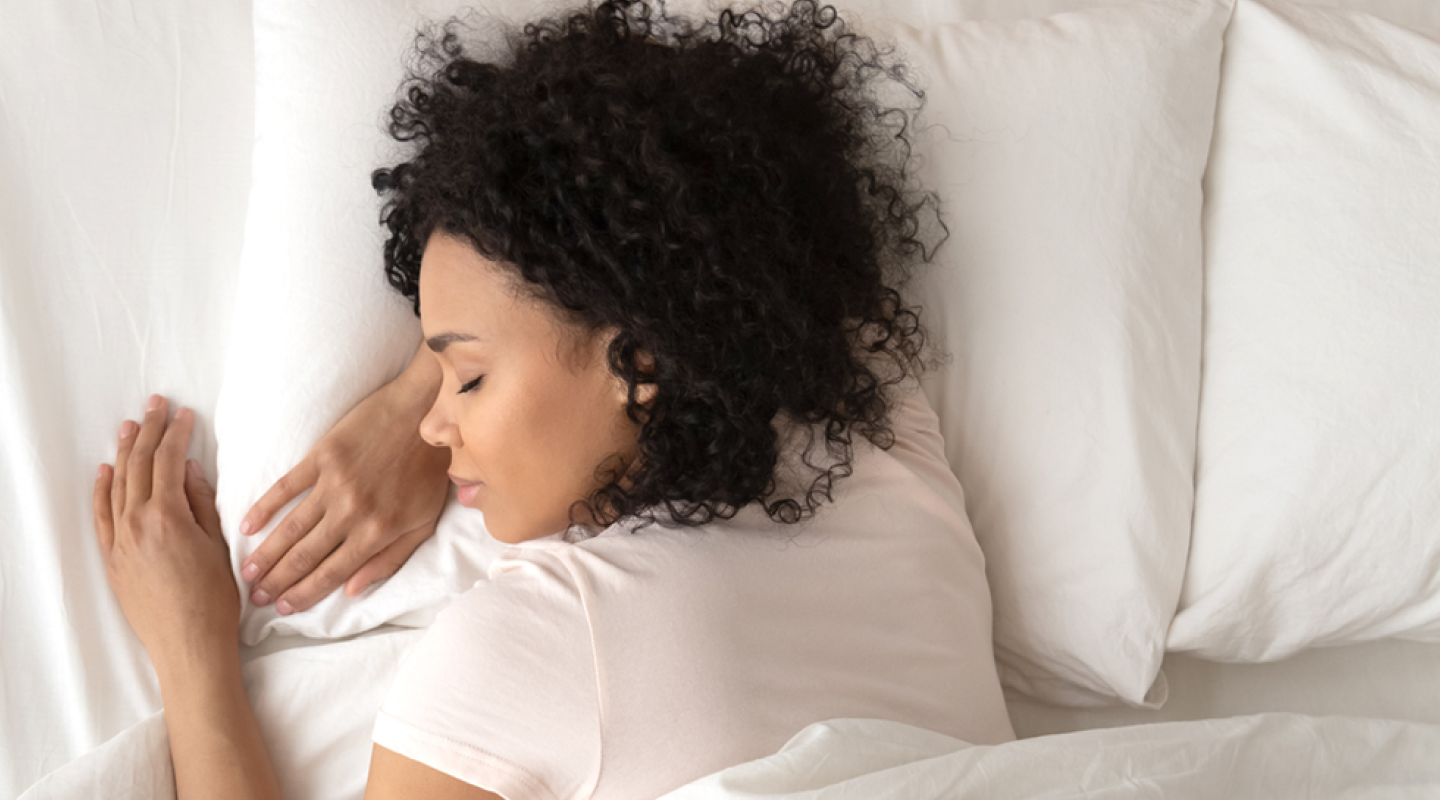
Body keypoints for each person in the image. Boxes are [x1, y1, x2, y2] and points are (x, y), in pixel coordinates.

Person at [90, 1, 1015, 798]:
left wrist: (193, 651)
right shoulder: (880, 425)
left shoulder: (537, 643)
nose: (429, 421)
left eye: (469, 376)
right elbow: (683, 235)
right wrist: (463, 381)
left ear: (641, 362)